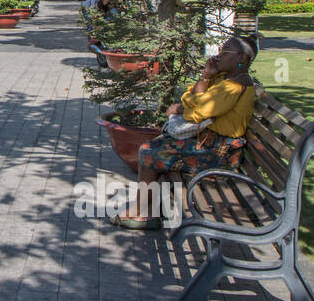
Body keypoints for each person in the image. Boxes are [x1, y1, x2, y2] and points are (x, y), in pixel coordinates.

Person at [109, 34, 260, 229]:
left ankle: (142, 212)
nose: (219, 55)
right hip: (208, 143)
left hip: (220, 152)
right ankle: (147, 209)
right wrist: (206, 75)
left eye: (225, 52)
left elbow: (198, 112)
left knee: (148, 151)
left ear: (242, 59)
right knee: (154, 146)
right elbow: (193, 97)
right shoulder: (224, 78)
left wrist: (182, 108)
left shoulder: (235, 86)